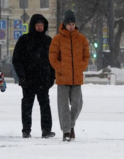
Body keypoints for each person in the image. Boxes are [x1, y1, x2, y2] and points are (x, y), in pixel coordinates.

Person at [12, 14, 56, 139]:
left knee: (45, 105)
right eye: (37, 25)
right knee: (27, 105)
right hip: (28, 79)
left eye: (42, 25)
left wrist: (52, 77)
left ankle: (46, 130)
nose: (40, 28)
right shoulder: (24, 40)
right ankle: (26, 130)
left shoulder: (48, 41)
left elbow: (53, 60)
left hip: (43, 79)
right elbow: (17, 60)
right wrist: (22, 76)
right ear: (33, 26)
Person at [49, 10, 89, 142]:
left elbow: (86, 56)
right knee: (63, 106)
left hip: (76, 77)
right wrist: (61, 68)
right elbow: (53, 57)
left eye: (73, 23)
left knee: (77, 104)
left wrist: (81, 67)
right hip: (62, 77)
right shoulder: (57, 39)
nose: (71, 26)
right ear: (64, 24)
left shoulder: (82, 39)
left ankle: (71, 125)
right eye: (69, 23)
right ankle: (66, 131)